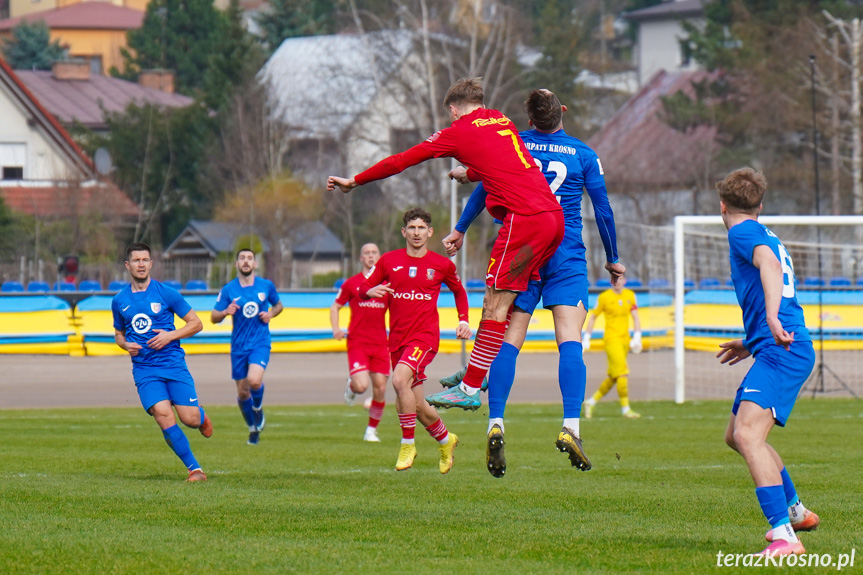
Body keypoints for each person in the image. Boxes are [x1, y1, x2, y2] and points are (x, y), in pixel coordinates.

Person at [328, 77, 580, 413]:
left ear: (452, 108)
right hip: (553, 218)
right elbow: (511, 163)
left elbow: (402, 160)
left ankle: (470, 386)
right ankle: (479, 369)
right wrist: (472, 173)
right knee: (512, 297)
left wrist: (354, 181)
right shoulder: (500, 119)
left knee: (494, 301)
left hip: (525, 219)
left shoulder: (456, 131)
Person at [436, 89, 624, 477]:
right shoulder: (584, 155)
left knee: (511, 338)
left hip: (522, 245)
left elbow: (485, 185)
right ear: (562, 113)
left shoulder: (514, 142)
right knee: (569, 338)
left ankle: (496, 423)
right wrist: (613, 258)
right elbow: (603, 211)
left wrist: (460, 228)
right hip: (565, 248)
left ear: (531, 118)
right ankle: (571, 426)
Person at [714, 168, 819, 556]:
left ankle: (784, 536)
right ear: (760, 205)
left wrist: (771, 320)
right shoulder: (761, 231)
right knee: (735, 436)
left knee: (747, 436)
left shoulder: (741, 232)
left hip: (783, 348)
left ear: (722, 204)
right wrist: (752, 339)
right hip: (777, 345)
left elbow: (770, 270)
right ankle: (795, 511)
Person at [359, 208, 471, 472]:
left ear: (429, 232)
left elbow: (459, 291)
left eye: (422, 228)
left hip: (425, 337)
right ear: (404, 232)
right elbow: (363, 288)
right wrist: (369, 291)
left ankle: (407, 444)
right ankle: (446, 440)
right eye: (412, 228)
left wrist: (464, 319)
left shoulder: (441, 264)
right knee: (417, 405)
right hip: (397, 339)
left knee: (398, 381)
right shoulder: (388, 261)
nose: (417, 233)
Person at [112, 242, 213, 482]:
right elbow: (118, 334)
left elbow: (196, 323)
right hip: (145, 369)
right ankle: (195, 469)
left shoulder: (167, 293)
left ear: (151, 264)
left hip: (173, 365)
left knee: (188, 419)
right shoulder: (119, 301)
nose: (141, 264)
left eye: (145, 260)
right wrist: (126, 345)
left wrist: (170, 335)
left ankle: (200, 417)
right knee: (163, 414)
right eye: (136, 260)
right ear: (128, 265)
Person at [211, 249, 283, 445]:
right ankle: (253, 429)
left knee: (254, 380)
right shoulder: (229, 290)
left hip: (260, 342)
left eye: (250, 258)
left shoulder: (266, 285)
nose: (246, 262)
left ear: (255, 264)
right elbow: (213, 317)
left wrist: (270, 314)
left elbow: (278, 305)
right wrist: (226, 311)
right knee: (243, 393)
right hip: (238, 346)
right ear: (236, 264)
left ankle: (258, 408)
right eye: (242, 258)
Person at [330, 243, 390, 442]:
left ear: (379, 257)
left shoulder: (386, 284)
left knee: (380, 388)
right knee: (362, 385)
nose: (371, 256)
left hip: (381, 342)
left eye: (374, 253)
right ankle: (352, 386)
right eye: (367, 253)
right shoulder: (351, 283)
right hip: (358, 341)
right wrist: (336, 328)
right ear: (360, 258)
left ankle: (371, 431)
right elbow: (335, 307)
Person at [582, 273, 642, 419]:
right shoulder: (604, 297)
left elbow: (635, 316)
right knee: (623, 373)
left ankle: (591, 401)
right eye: (616, 279)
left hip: (625, 341)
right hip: (611, 339)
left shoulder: (630, 295)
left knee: (614, 376)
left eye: (621, 279)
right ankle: (626, 409)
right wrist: (587, 337)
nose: (619, 282)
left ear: (625, 280)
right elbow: (593, 317)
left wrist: (637, 336)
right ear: (612, 281)